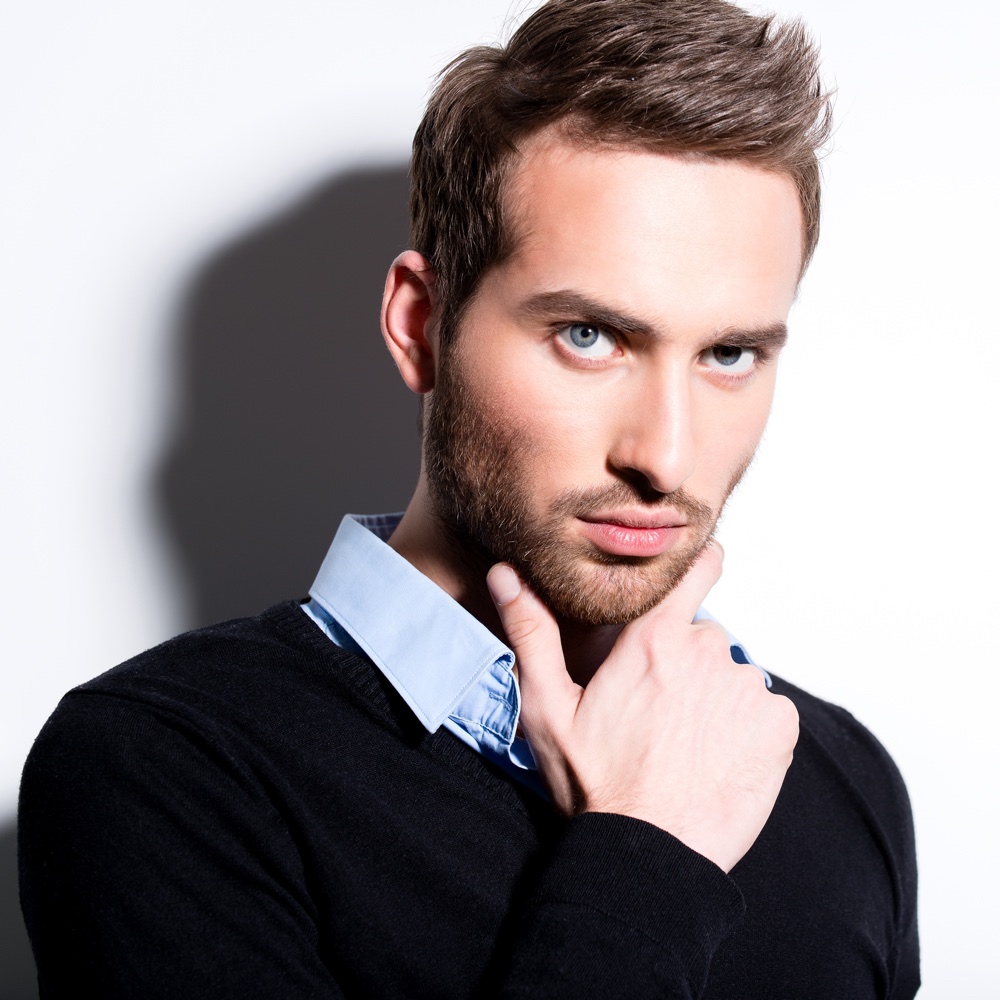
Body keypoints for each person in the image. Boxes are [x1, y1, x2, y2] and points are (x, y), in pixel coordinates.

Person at [18, 0, 919, 996]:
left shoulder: (838, 776)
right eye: (589, 335)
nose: (664, 457)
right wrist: (645, 852)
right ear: (420, 326)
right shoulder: (165, 769)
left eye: (730, 353)